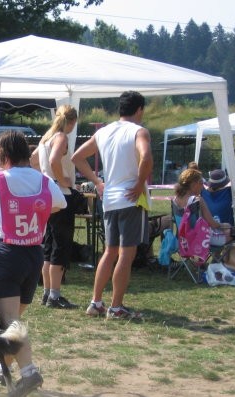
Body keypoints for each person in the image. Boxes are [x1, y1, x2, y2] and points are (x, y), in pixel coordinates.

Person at [0, 130, 66, 397]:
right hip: (33, 256)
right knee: (13, 321)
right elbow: (59, 204)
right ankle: (3, 369)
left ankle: (29, 373)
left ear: (3, 156)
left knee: (10, 322)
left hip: (7, 254)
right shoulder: (44, 180)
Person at [71, 90, 152, 320]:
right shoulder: (139, 131)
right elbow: (146, 158)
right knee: (126, 255)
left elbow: (77, 157)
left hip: (109, 199)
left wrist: (97, 181)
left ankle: (96, 302)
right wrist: (139, 183)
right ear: (139, 110)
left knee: (109, 252)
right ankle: (116, 307)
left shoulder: (104, 131)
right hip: (130, 199)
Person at [30, 104, 79, 309]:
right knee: (60, 246)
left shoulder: (45, 138)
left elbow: (33, 161)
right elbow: (54, 159)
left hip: (46, 196)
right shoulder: (61, 137)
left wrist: (45, 177)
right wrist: (62, 180)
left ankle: (47, 292)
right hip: (61, 196)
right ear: (72, 122)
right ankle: (55, 295)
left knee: (49, 245)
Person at [174, 168, 235, 277]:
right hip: (207, 239)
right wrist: (224, 225)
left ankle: (220, 262)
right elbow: (213, 224)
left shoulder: (176, 200)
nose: (202, 186)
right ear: (193, 184)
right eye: (201, 183)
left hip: (186, 241)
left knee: (234, 228)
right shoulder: (197, 200)